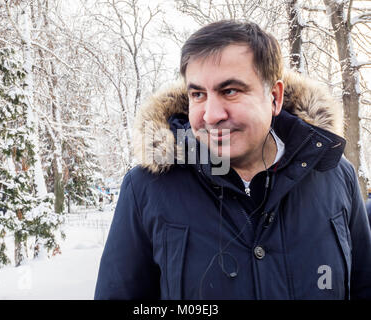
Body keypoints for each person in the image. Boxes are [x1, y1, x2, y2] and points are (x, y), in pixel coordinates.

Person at [95, 21, 371, 300]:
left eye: (230, 91)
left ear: (274, 97)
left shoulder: (335, 174)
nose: (211, 115)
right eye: (198, 94)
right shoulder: (147, 189)